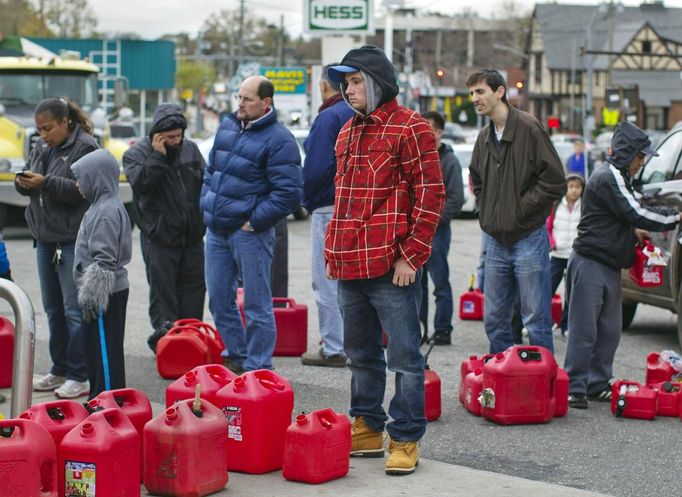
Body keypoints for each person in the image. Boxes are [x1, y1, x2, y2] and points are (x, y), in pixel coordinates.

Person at [325, 46, 445, 476]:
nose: (349, 89)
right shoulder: (346, 132)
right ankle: (368, 426)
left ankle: (406, 436)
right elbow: (342, 201)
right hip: (348, 265)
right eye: (346, 82)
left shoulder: (411, 128)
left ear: (377, 83)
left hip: (392, 267)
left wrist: (411, 257)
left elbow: (431, 197)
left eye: (356, 81)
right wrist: (332, 252)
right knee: (359, 353)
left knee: (406, 358)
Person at [564, 122, 680, 409]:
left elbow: (620, 215)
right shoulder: (609, 177)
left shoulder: (618, 177)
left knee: (610, 328)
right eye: (641, 157)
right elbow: (635, 211)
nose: (642, 163)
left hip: (609, 264)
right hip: (590, 262)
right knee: (584, 329)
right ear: (629, 153)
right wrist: (677, 217)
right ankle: (576, 387)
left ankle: (597, 383)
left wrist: (631, 233)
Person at [200, 75, 302, 374]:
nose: (240, 104)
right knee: (219, 301)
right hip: (217, 230)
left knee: (257, 306)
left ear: (266, 103)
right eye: (239, 97)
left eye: (247, 99)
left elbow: (290, 193)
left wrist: (253, 222)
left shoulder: (280, 140)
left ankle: (258, 367)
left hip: (250, 234)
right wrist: (206, 200)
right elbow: (212, 171)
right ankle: (238, 355)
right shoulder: (228, 126)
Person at [467, 69, 566, 354]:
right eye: (472, 93)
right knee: (495, 319)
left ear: (500, 92)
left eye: (481, 91)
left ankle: (541, 383)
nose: (475, 98)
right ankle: (502, 383)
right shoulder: (483, 137)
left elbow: (555, 181)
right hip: (495, 241)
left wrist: (519, 211)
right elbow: (478, 181)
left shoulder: (529, 128)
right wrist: (486, 212)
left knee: (535, 319)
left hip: (528, 237)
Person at [16, 97, 98, 399]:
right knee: (52, 309)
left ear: (66, 123)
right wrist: (22, 182)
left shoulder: (86, 147)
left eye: (48, 128)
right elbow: (28, 174)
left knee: (73, 309)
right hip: (45, 238)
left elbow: (84, 191)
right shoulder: (41, 146)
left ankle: (80, 374)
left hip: (71, 239)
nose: (43, 135)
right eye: (39, 130)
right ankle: (59, 368)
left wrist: (44, 183)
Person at [123, 104, 206, 353]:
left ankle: (190, 340)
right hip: (160, 238)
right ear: (156, 135)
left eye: (179, 135)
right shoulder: (136, 154)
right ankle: (167, 343)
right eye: (170, 137)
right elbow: (141, 185)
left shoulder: (190, 149)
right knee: (163, 295)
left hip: (192, 237)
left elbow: (205, 182)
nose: (176, 141)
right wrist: (158, 157)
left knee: (194, 291)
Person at [300, 63, 354, 367]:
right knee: (354, 281)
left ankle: (334, 347)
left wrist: (307, 199)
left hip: (328, 206)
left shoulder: (328, 117)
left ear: (323, 87)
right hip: (359, 206)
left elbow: (317, 168)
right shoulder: (360, 113)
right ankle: (355, 343)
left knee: (326, 280)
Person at [71, 149, 132, 399]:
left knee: (104, 354)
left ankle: (107, 402)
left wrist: (92, 297)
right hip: (106, 293)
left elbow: (104, 261)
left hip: (104, 295)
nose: (77, 184)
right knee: (96, 351)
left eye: (81, 178)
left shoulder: (105, 212)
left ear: (96, 178)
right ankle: (100, 397)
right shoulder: (101, 205)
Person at [419, 111, 464, 346]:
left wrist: (432, 221)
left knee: (441, 282)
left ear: (438, 132)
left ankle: (443, 329)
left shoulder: (449, 161)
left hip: (437, 232)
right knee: (418, 285)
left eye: (427, 127)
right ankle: (420, 329)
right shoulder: (417, 157)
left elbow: (456, 199)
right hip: (417, 233)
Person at [546, 173, 585, 336]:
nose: (574, 190)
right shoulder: (556, 205)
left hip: (574, 255)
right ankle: (544, 323)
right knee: (546, 289)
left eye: (578, 187)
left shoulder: (584, 206)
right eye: (571, 186)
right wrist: (552, 243)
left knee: (572, 293)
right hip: (557, 255)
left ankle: (566, 326)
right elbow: (548, 226)